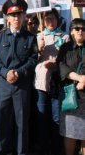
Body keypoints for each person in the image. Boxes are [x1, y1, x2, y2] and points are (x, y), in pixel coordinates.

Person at [0, 0, 38, 155]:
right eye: (13, 15)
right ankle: (0, 152)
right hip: (4, 85)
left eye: (19, 14)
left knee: (21, 123)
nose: (16, 18)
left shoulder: (31, 38)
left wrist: (18, 72)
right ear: (7, 18)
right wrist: (6, 73)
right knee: (1, 122)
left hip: (22, 85)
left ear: (24, 16)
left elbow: (33, 60)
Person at [34, 8, 69, 154]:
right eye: (47, 19)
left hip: (57, 80)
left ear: (58, 19)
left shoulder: (65, 37)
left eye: (53, 18)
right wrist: (39, 50)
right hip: (41, 82)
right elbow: (32, 59)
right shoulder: (39, 36)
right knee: (42, 116)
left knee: (56, 117)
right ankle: (42, 148)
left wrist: (55, 63)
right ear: (43, 21)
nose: (50, 21)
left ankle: (55, 148)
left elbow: (67, 59)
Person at [57, 18, 85, 155]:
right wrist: (79, 78)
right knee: (70, 132)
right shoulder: (65, 48)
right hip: (71, 97)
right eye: (77, 28)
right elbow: (61, 67)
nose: (80, 31)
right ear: (71, 31)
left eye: (83, 29)